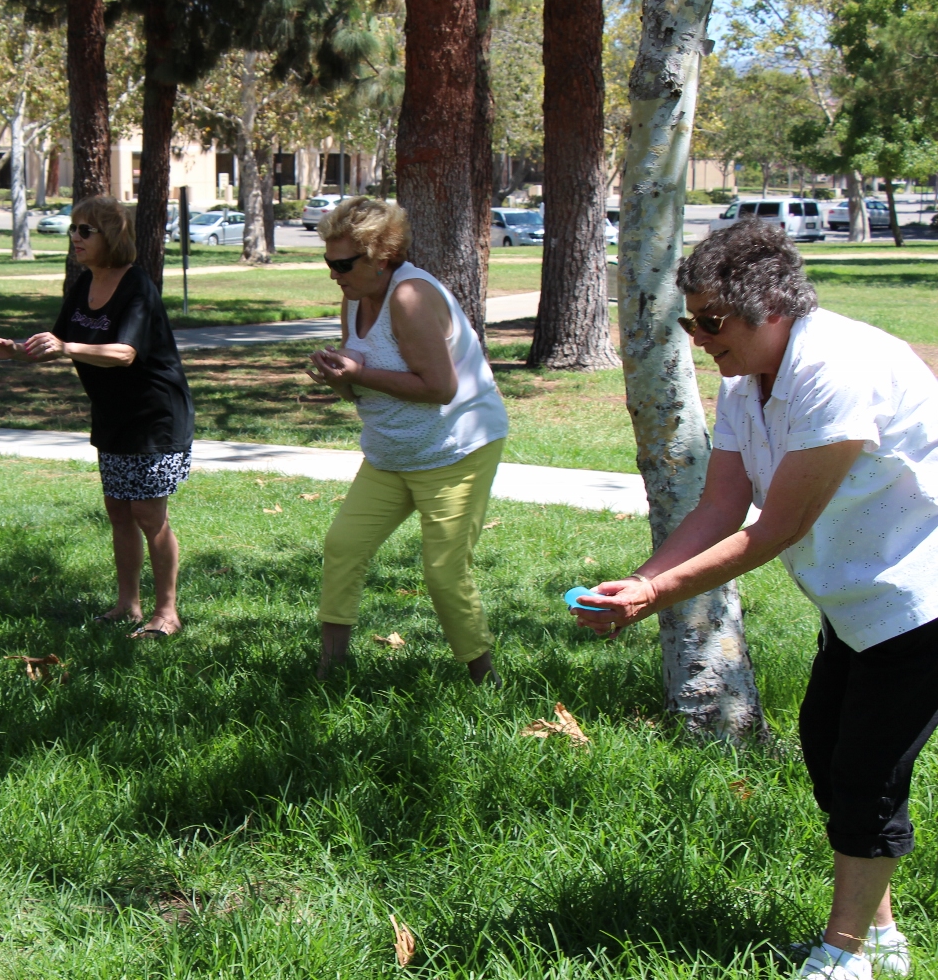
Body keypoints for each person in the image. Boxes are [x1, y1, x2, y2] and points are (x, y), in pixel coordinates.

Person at [572, 219, 938, 980]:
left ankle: (844, 956)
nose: (699, 339)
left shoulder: (839, 368)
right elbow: (718, 507)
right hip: (861, 601)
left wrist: (654, 597)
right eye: (689, 322)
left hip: (923, 597)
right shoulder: (747, 380)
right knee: (827, 748)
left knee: (867, 769)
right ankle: (884, 935)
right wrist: (642, 582)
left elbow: (776, 528)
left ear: (771, 308)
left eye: (711, 322)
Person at [306, 197, 509, 683]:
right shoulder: (355, 296)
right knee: (343, 545)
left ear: (380, 255)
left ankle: (485, 678)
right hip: (391, 453)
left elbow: (440, 388)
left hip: (453, 450)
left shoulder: (410, 296)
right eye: (328, 263)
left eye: (343, 264)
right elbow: (360, 385)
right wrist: (338, 377)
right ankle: (330, 668)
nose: (334, 274)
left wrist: (362, 372)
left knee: (443, 571)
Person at [0, 196, 194, 638]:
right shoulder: (83, 284)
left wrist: (69, 348)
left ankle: (167, 613)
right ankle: (127, 605)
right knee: (118, 511)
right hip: (113, 415)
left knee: (149, 515)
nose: (74, 237)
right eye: (73, 229)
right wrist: (15, 351)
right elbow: (56, 341)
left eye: (84, 230)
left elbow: (125, 352)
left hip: (154, 416)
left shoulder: (136, 285)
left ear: (109, 236)